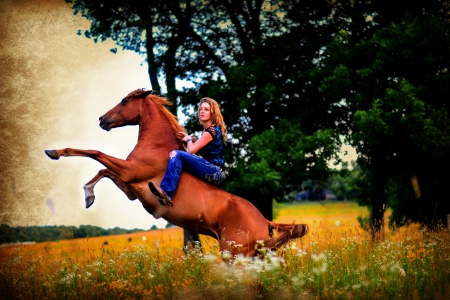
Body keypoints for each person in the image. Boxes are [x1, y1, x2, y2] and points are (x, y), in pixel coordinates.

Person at [148, 97, 227, 206]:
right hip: (214, 171)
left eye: (206, 109)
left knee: (177, 154)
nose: (202, 111)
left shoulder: (211, 131)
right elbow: (198, 151)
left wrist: (189, 140)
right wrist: (190, 140)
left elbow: (192, 150)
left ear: (213, 113)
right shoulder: (210, 130)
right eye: (200, 109)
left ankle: (167, 192)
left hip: (215, 171)